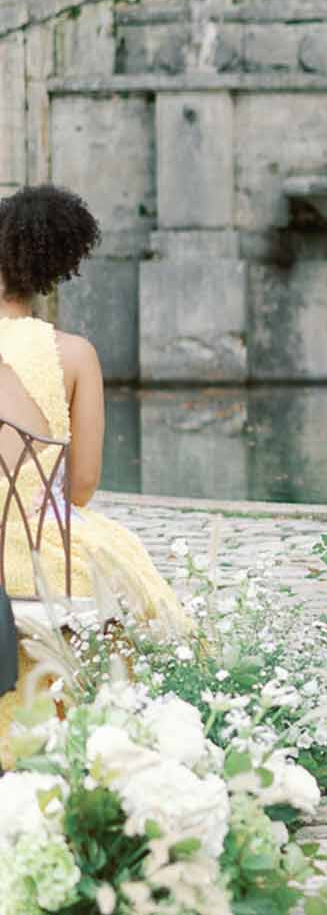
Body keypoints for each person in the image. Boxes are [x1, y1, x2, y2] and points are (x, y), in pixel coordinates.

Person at [0, 185, 188, 760]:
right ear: (55, 268)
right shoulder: (76, 355)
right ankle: (81, 732)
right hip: (38, 545)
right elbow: (81, 485)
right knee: (118, 575)